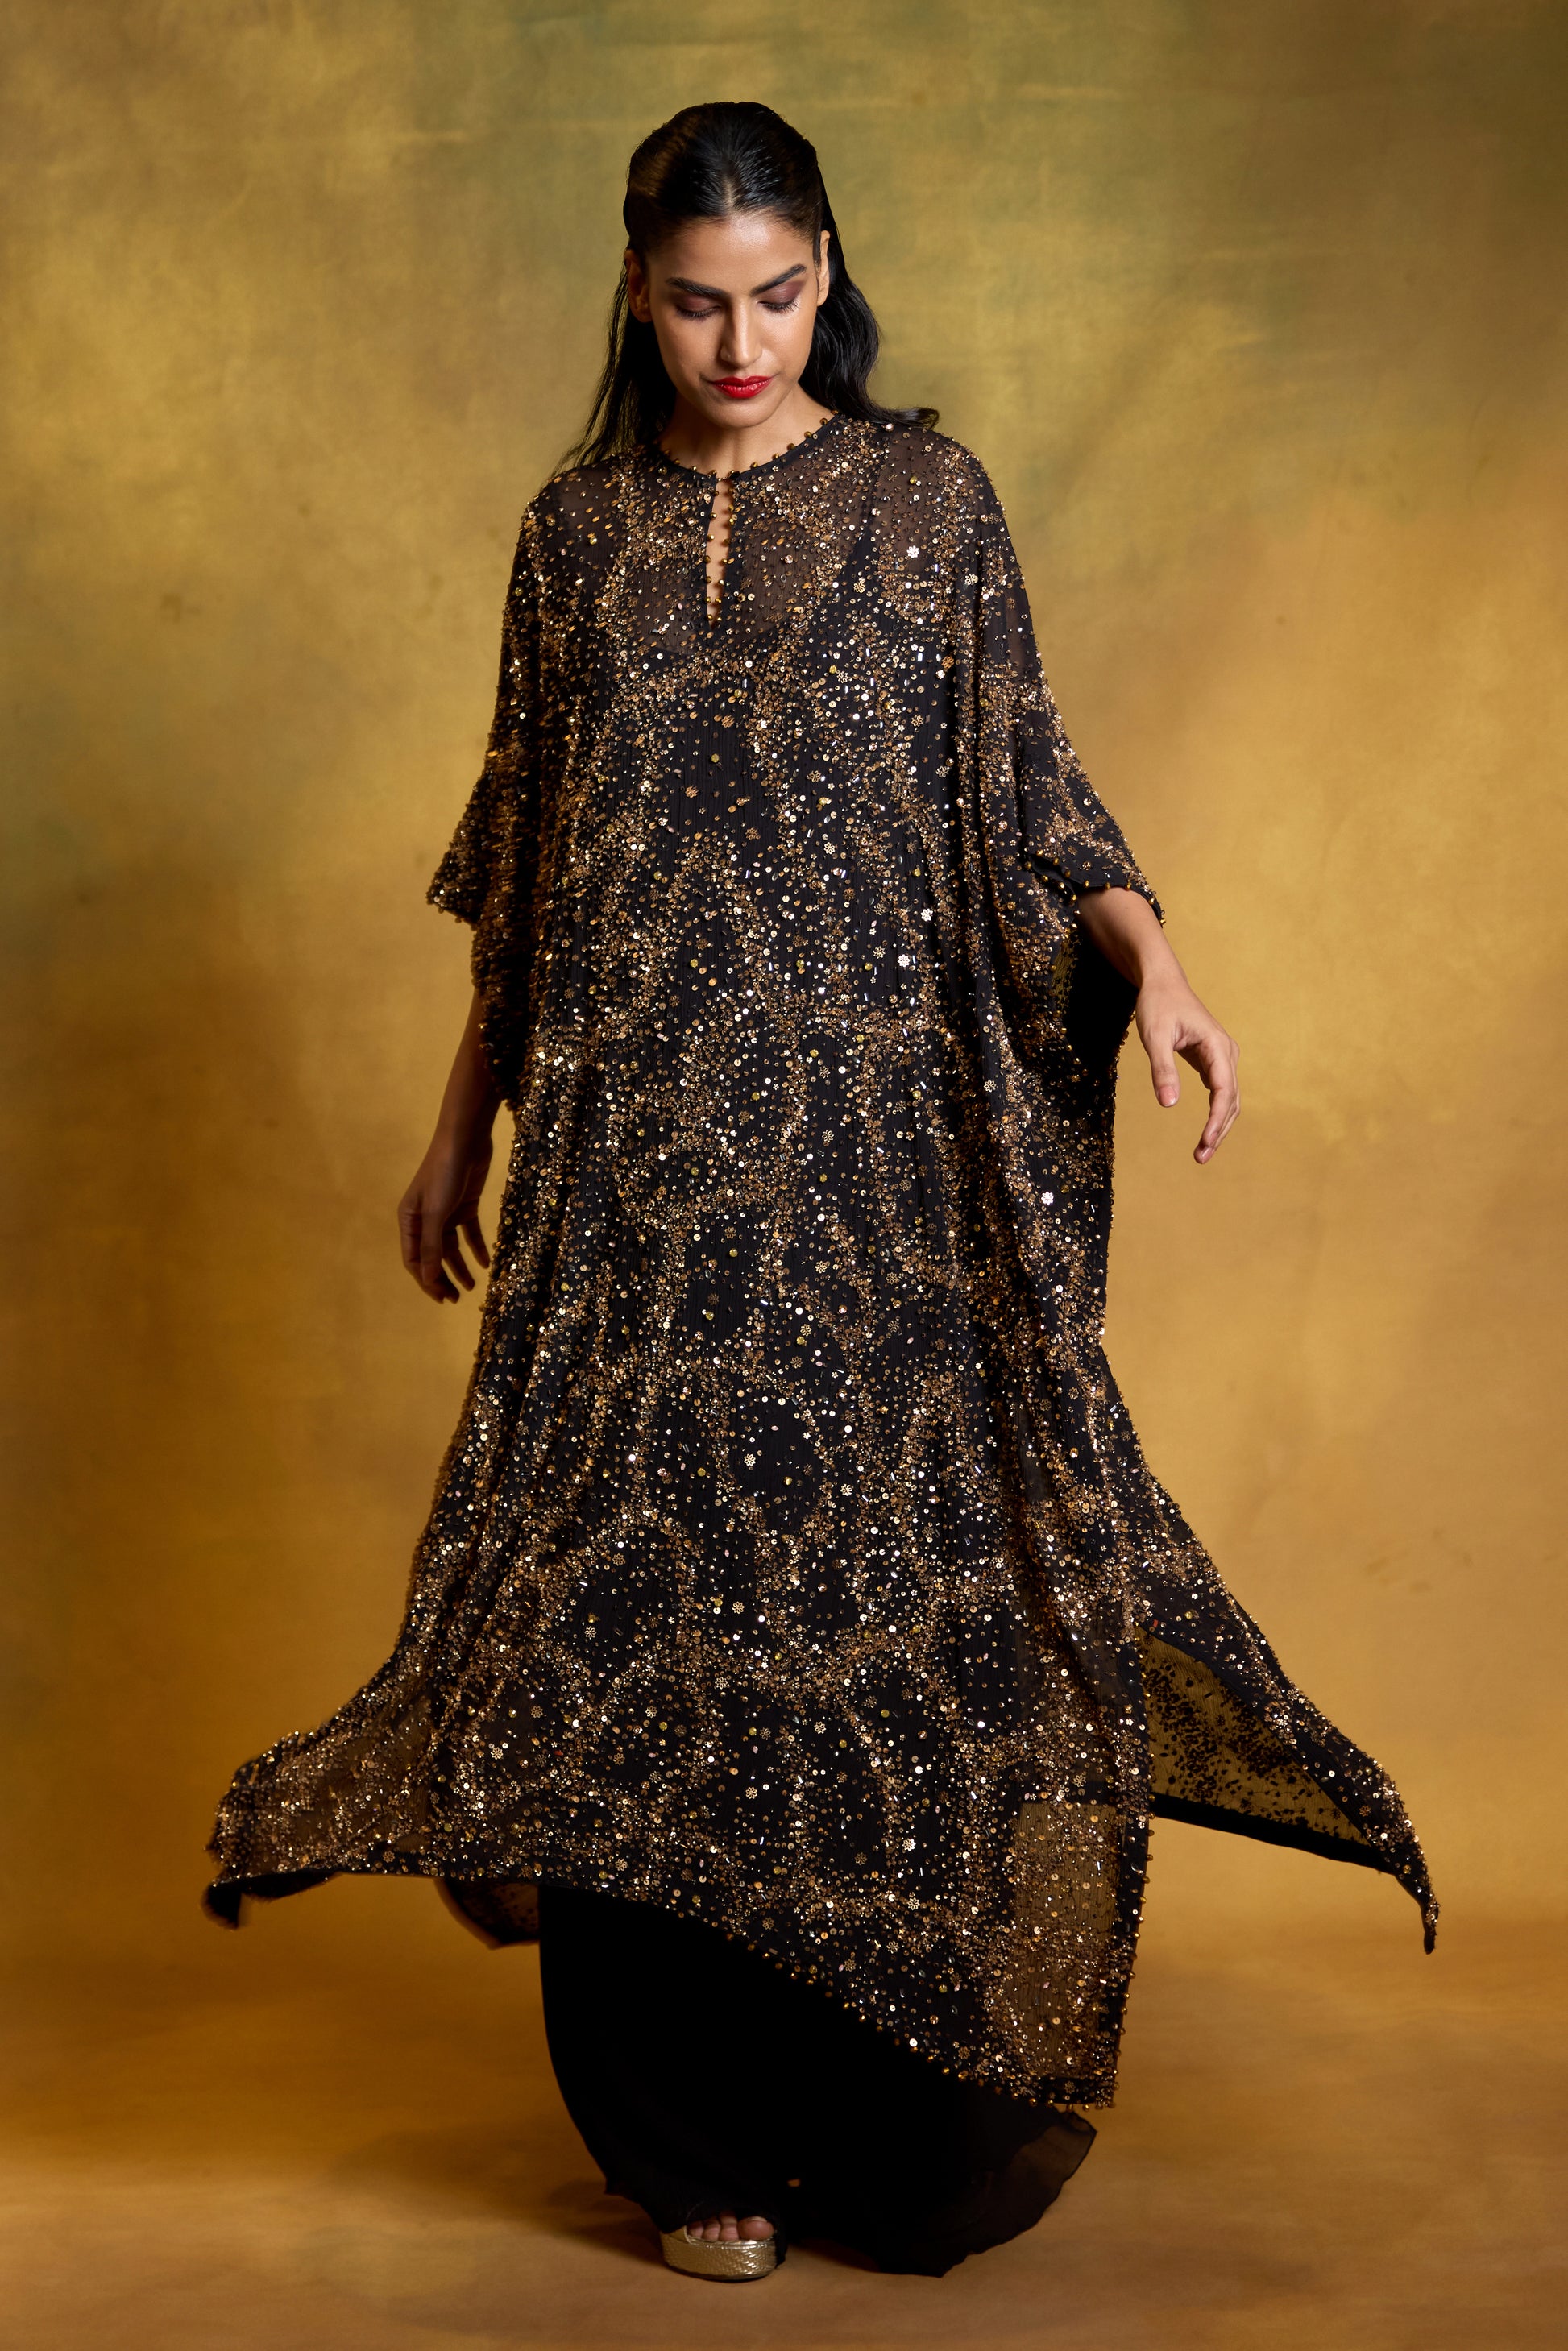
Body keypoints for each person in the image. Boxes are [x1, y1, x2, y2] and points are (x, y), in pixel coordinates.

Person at [207, 102, 1434, 2283]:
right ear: (634, 291)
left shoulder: (924, 507)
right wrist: (458, 1125)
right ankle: (685, 2143)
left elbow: (1033, 794)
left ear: (826, 270)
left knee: (868, 1620)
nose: (740, 341)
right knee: (639, 1626)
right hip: (631, 1201)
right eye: (696, 302)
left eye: (776, 294)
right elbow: (535, 879)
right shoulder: (573, 541)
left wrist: (1158, 971)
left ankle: (882, 2126)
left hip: (874, 1204)